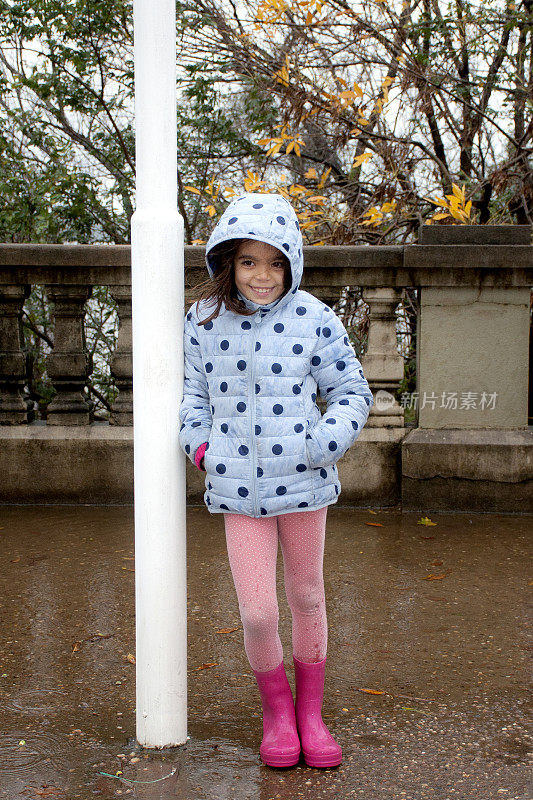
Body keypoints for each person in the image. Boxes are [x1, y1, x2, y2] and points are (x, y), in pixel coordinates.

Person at [179, 192, 374, 768]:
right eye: (248, 262)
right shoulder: (203, 321)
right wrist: (205, 452)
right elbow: (192, 401)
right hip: (237, 489)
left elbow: (351, 393)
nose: (262, 276)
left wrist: (322, 444)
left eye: (275, 262)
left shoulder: (315, 318)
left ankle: (311, 715)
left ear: (291, 262)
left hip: (305, 485)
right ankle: (277, 714)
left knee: (307, 596)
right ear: (226, 263)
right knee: (258, 613)